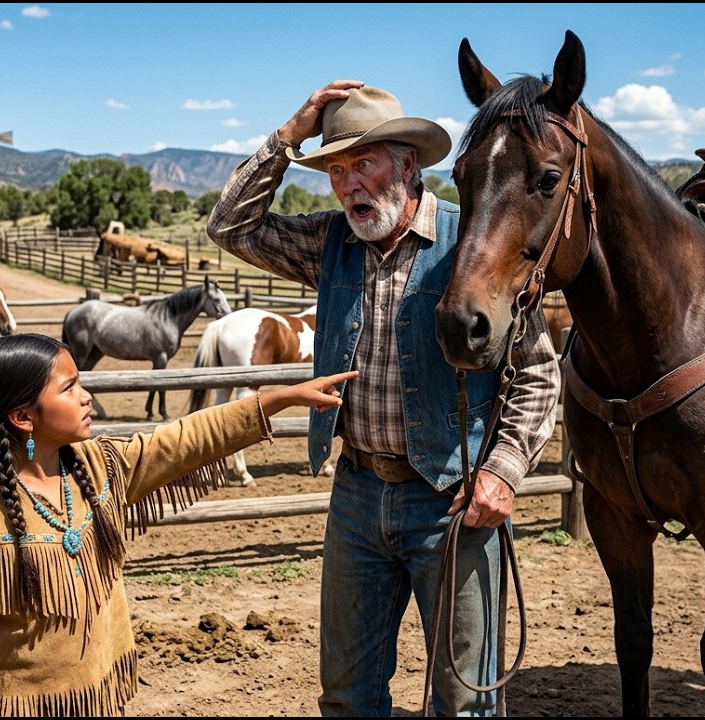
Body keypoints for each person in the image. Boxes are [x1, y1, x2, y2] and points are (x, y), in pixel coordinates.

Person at [207, 82, 561, 716]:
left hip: (454, 502)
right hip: (358, 495)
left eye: (361, 164)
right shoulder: (330, 243)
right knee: (347, 694)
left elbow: (537, 374)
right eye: (336, 171)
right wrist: (290, 135)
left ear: (406, 164)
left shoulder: (470, 242)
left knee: (465, 699)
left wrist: (504, 473)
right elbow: (230, 225)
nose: (347, 185)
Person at [0, 332, 357, 716]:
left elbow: (185, 439)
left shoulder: (103, 467)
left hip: (101, 701)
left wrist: (276, 399)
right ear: (23, 418)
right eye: (70, 387)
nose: (85, 396)